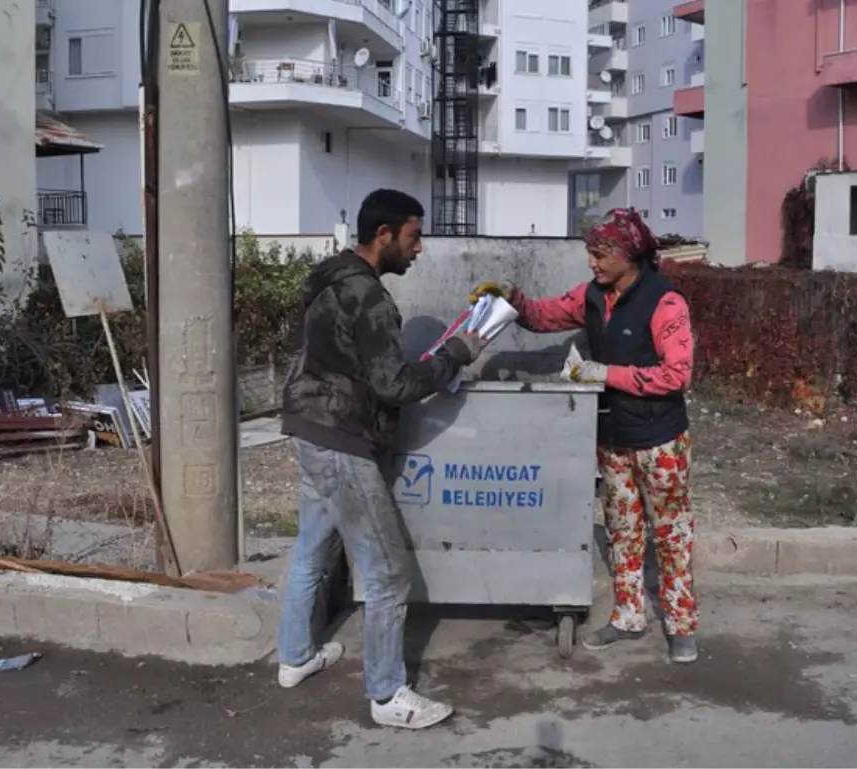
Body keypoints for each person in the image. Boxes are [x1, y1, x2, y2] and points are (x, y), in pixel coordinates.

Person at [277, 188, 483, 729]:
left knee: (312, 549)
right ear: (384, 235)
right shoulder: (368, 296)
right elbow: (393, 384)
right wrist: (454, 355)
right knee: (389, 572)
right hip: (341, 438)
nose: (419, 249)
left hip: (305, 424)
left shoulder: (328, 277)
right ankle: (389, 694)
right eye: (414, 237)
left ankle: (295, 658)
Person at [469, 208, 699, 664]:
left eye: (599, 255)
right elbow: (542, 316)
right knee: (622, 530)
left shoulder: (665, 303)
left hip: (660, 442)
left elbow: (677, 375)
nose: (592, 264)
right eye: (589, 254)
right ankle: (629, 616)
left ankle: (681, 625)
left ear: (628, 253)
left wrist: (604, 373)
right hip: (612, 436)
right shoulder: (592, 296)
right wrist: (511, 298)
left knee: (671, 532)